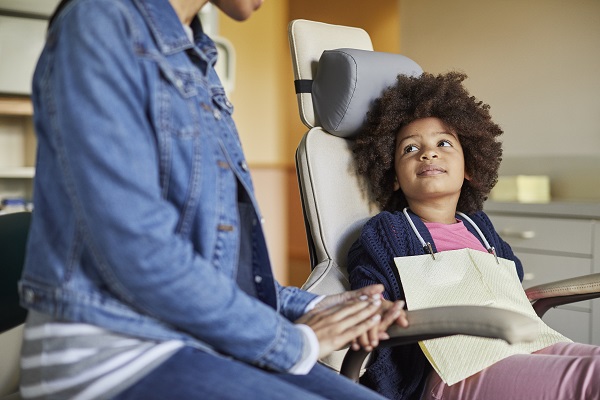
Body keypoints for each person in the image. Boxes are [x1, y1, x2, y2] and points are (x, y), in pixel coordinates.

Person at [18, 0, 408, 398]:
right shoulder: (100, 22)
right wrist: (293, 342)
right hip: (111, 359)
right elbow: (139, 253)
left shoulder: (197, 60)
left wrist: (316, 308)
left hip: (198, 341)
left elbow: (222, 278)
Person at [347, 71, 600, 400]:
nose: (428, 153)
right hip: (453, 370)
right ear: (394, 176)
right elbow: (368, 283)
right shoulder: (390, 230)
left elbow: (511, 278)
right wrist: (374, 309)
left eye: (443, 143)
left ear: (468, 166)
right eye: (410, 149)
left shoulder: (480, 226)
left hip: (521, 345)